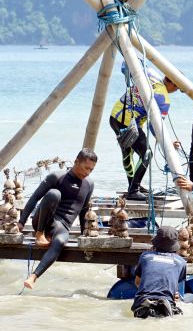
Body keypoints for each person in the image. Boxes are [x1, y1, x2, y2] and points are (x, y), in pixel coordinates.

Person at [17, 149, 97, 289]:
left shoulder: (89, 184)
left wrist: (85, 234)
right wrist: (21, 222)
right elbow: (35, 198)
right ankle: (40, 234)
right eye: (86, 168)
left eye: (91, 169)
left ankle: (33, 277)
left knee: (60, 241)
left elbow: (84, 210)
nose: (88, 172)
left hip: (62, 226)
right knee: (54, 194)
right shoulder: (57, 176)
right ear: (76, 162)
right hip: (44, 219)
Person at [109, 62, 178, 201]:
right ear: (174, 84)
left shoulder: (151, 73)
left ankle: (133, 186)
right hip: (129, 124)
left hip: (115, 116)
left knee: (128, 152)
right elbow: (155, 126)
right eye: (178, 88)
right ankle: (134, 190)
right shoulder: (164, 100)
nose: (176, 91)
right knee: (146, 154)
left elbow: (125, 65)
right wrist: (167, 142)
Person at [131, 226, 186, 319]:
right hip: (166, 307)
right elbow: (175, 290)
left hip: (143, 305)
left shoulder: (145, 257)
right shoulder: (181, 262)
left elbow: (138, 283)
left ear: (156, 242)